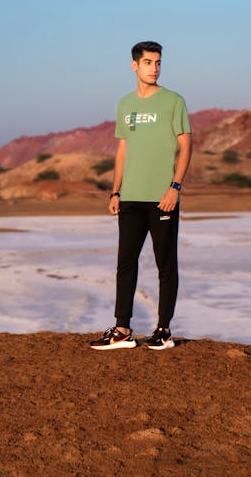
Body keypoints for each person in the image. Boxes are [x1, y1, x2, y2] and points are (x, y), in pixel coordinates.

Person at [90, 40, 192, 350]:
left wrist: (175, 188)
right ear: (135, 66)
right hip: (131, 197)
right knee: (126, 263)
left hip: (163, 198)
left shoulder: (173, 101)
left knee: (166, 265)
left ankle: (163, 330)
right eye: (148, 62)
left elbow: (186, 146)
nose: (154, 67)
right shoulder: (125, 105)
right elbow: (122, 150)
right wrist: (115, 191)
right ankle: (122, 330)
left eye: (158, 62)